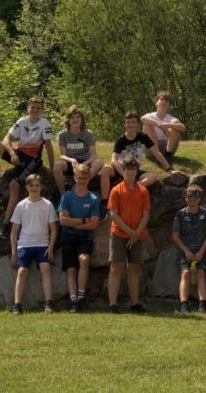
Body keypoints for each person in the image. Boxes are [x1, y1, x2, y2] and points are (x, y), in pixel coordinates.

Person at [0, 96, 55, 238]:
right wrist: (12, 153)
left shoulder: (44, 123)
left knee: (14, 185)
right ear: (28, 108)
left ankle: (5, 224)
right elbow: (6, 139)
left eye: (38, 108)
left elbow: (48, 146)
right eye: (32, 107)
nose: (35, 110)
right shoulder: (22, 121)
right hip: (19, 155)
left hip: (32, 161)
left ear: (42, 110)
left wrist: (52, 168)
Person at [9, 173, 58, 314]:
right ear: (26, 187)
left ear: (41, 187)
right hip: (24, 244)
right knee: (22, 271)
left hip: (42, 244)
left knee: (45, 268)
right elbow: (14, 232)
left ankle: (48, 303)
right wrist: (13, 253)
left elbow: (53, 229)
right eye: (31, 186)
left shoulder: (47, 205)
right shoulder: (21, 205)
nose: (34, 188)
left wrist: (51, 247)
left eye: (37, 185)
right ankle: (17, 304)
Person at [107, 158, 151, 313]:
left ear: (137, 170)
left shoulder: (143, 191)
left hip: (138, 235)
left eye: (133, 169)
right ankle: (112, 304)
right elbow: (113, 214)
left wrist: (137, 232)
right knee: (116, 267)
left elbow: (146, 213)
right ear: (123, 170)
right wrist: (129, 231)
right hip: (119, 233)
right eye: (128, 168)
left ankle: (134, 303)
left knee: (134, 268)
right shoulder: (116, 190)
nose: (131, 171)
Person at [57, 164, 101, 312]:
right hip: (67, 237)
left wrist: (72, 222)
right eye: (79, 178)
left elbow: (94, 224)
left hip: (84, 238)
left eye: (85, 178)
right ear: (74, 178)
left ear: (89, 178)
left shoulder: (93, 198)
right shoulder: (67, 196)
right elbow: (62, 221)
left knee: (84, 260)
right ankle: (73, 300)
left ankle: (81, 297)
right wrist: (83, 220)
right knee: (70, 270)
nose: (82, 181)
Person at [100, 111, 167, 205]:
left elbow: (157, 153)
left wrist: (170, 169)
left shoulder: (143, 137)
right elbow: (113, 160)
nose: (130, 125)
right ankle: (104, 203)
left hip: (134, 169)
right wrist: (124, 175)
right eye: (128, 122)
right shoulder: (121, 140)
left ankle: (133, 189)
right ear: (124, 124)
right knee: (105, 169)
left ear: (137, 124)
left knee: (152, 177)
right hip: (121, 169)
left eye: (133, 122)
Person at [171, 184, 206, 315]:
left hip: (202, 250)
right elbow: (175, 236)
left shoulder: (205, 214)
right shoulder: (180, 214)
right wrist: (186, 251)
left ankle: (202, 304)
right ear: (185, 198)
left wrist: (201, 252)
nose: (192, 199)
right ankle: (184, 305)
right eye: (189, 197)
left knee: (201, 273)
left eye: (195, 197)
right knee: (185, 273)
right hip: (186, 251)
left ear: (199, 198)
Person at [52, 105, 101, 196]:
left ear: (81, 119)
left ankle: (78, 186)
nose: (75, 120)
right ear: (68, 120)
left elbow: (94, 155)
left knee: (99, 163)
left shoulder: (88, 134)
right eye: (72, 117)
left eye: (78, 117)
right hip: (70, 163)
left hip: (85, 162)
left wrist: (85, 164)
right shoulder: (63, 135)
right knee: (57, 166)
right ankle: (63, 194)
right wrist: (71, 160)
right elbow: (62, 155)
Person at [142, 91, 186, 160]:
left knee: (175, 126)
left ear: (169, 105)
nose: (164, 102)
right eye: (162, 99)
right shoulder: (149, 116)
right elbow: (143, 119)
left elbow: (183, 128)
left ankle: (167, 155)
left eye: (167, 101)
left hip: (167, 148)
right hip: (151, 149)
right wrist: (160, 125)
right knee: (147, 126)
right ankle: (157, 154)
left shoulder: (172, 119)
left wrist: (167, 125)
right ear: (156, 103)